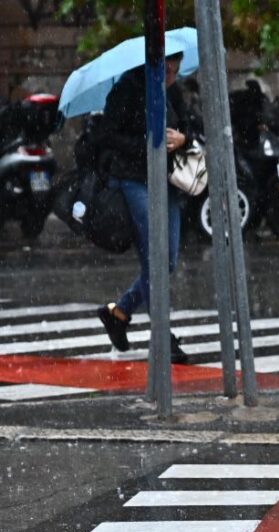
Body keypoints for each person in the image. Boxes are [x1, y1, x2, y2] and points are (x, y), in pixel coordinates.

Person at [96, 53, 193, 363]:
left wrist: (182, 139)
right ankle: (163, 336)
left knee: (167, 260)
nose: (170, 77)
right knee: (155, 255)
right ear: (151, 64)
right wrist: (147, 144)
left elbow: (190, 125)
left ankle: (120, 312)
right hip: (135, 179)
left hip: (168, 181)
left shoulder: (172, 91)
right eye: (165, 70)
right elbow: (108, 135)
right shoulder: (128, 87)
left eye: (175, 72)